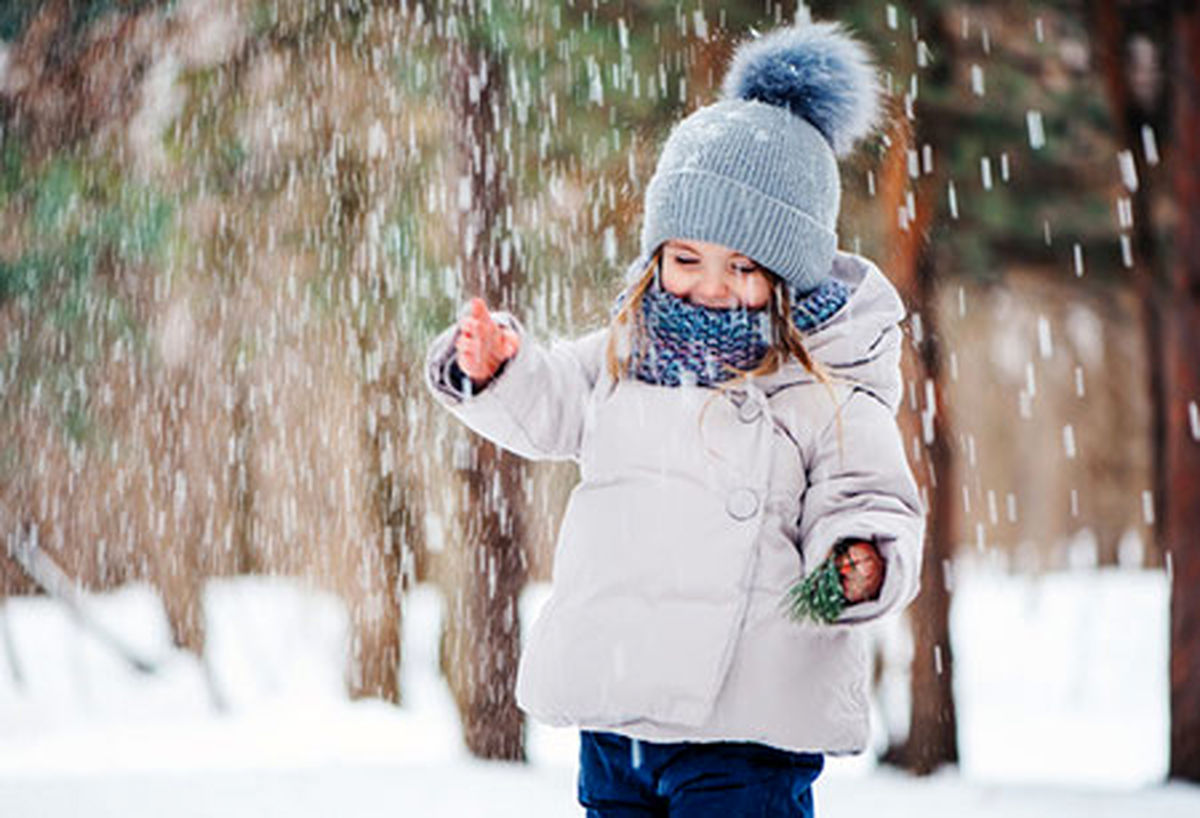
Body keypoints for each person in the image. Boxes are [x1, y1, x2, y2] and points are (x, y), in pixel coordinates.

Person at [424, 18, 926, 818]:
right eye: (686, 260)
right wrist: (497, 368)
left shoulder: (819, 387)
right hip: (619, 707)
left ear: (789, 275)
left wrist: (859, 557)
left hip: (747, 723)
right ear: (658, 255)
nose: (709, 285)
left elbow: (867, 497)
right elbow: (550, 405)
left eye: (743, 268)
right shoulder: (625, 356)